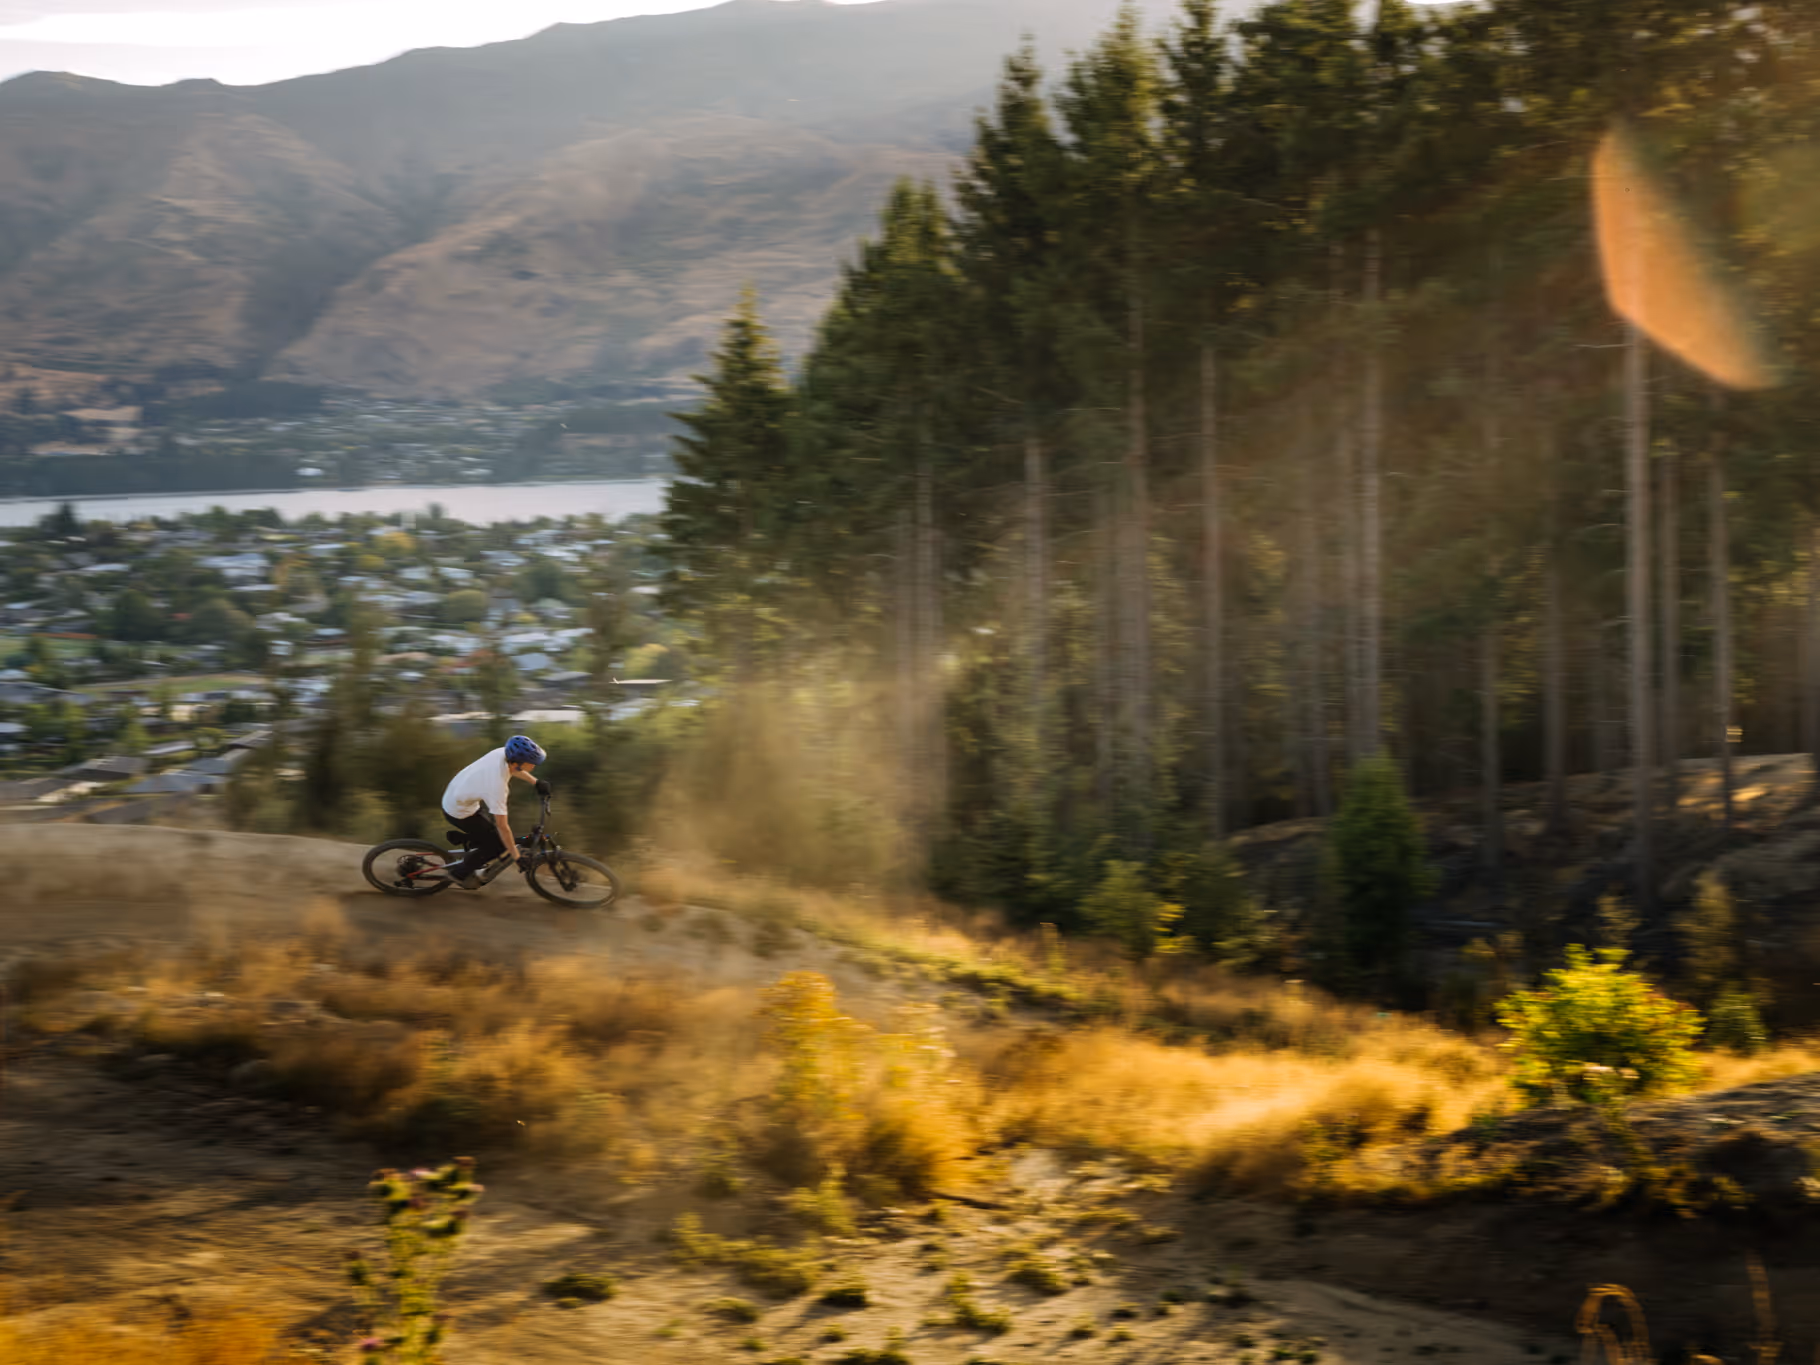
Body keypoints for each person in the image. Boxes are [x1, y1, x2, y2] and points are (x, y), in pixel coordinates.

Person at [440, 734, 546, 890]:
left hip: (457, 794)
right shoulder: (497, 787)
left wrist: (535, 782)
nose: (534, 765)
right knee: (497, 845)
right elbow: (503, 826)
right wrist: (517, 858)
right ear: (518, 762)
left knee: (492, 835)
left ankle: (471, 840)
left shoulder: (502, 754)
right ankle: (459, 873)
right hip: (460, 811)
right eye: (532, 763)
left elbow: (514, 770)